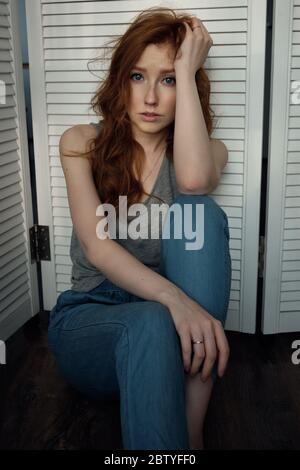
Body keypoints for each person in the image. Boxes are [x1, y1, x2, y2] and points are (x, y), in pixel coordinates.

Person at [47, 7, 231, 451]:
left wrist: (189, 69)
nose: (150, 97)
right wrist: (174, 300)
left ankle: (190, 432)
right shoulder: (81, 143)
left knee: (201, 213)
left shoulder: (207, 153)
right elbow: (98, 246)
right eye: (137, 76)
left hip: (173, 337)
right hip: (92, 319)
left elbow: (191, 182)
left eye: (167, 79)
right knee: (149, 319)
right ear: (119, 81)